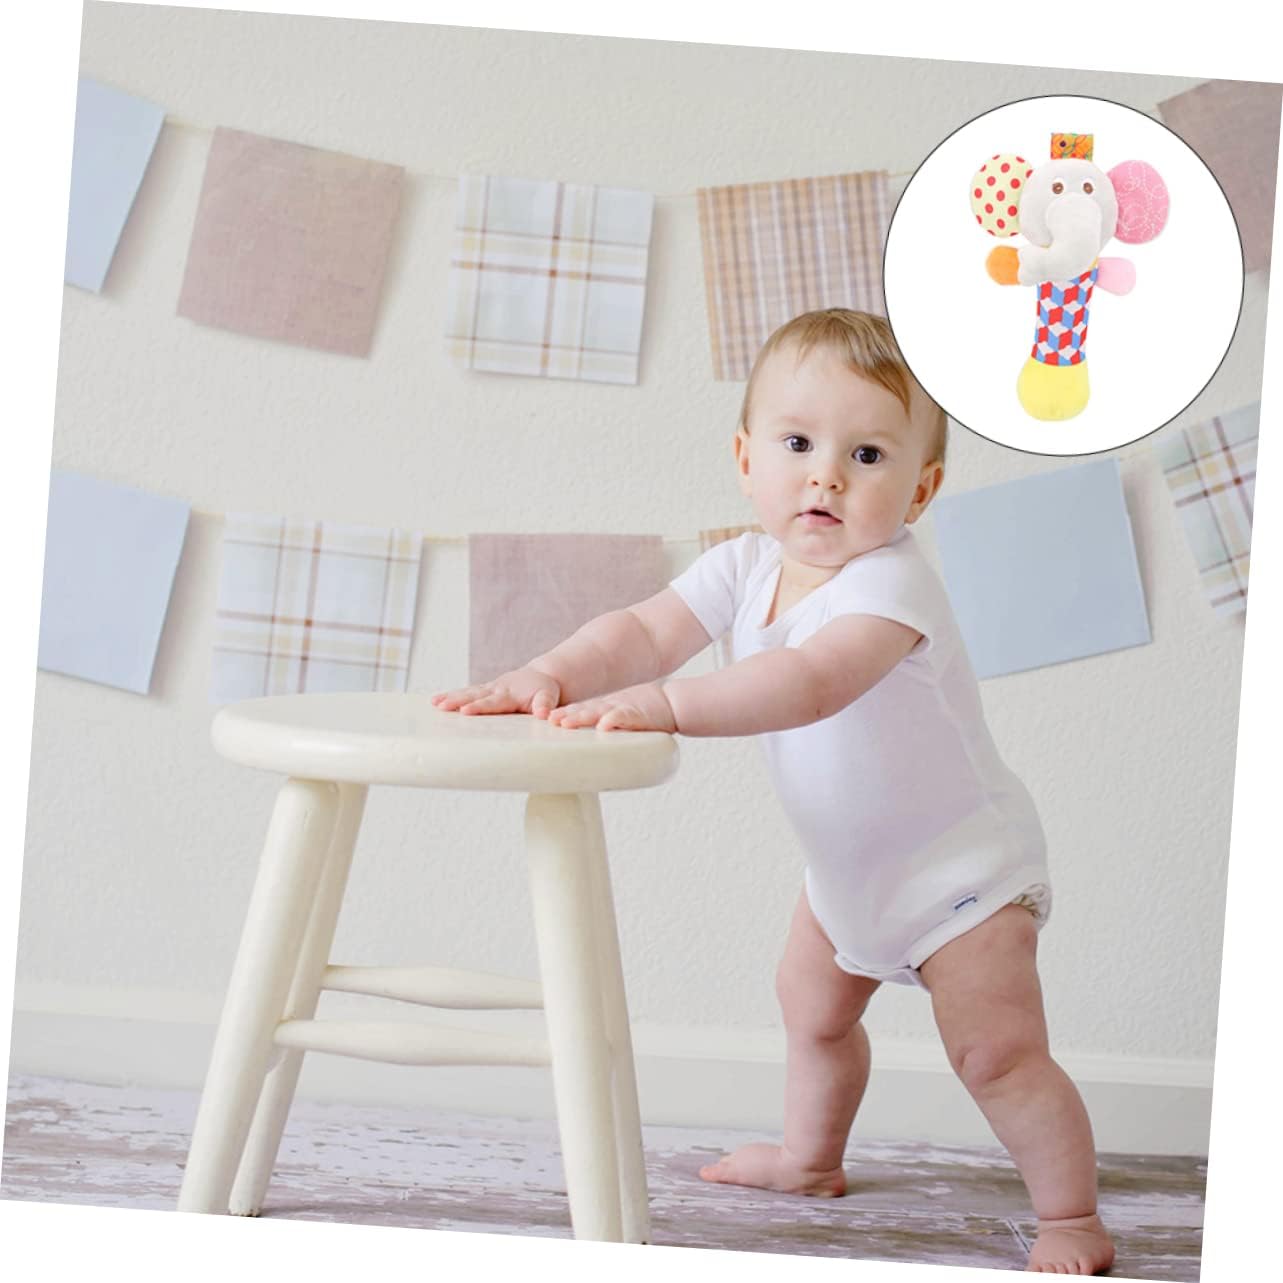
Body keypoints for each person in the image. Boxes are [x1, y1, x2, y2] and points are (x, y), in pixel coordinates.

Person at [432, 309, 1116, 1275]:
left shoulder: (890, 588)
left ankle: (1071, 1215)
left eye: (866, 455)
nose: (825, 476)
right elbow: (640, 631)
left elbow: (808, 682)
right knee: (812, 1012)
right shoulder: (743, 565)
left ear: (920, 489)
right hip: (846, 875)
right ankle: (809, 1158)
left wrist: (668, 704)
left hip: (963, 877)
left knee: (994, 1055)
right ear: (745, 457)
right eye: (797, 444)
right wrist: (547, 673)